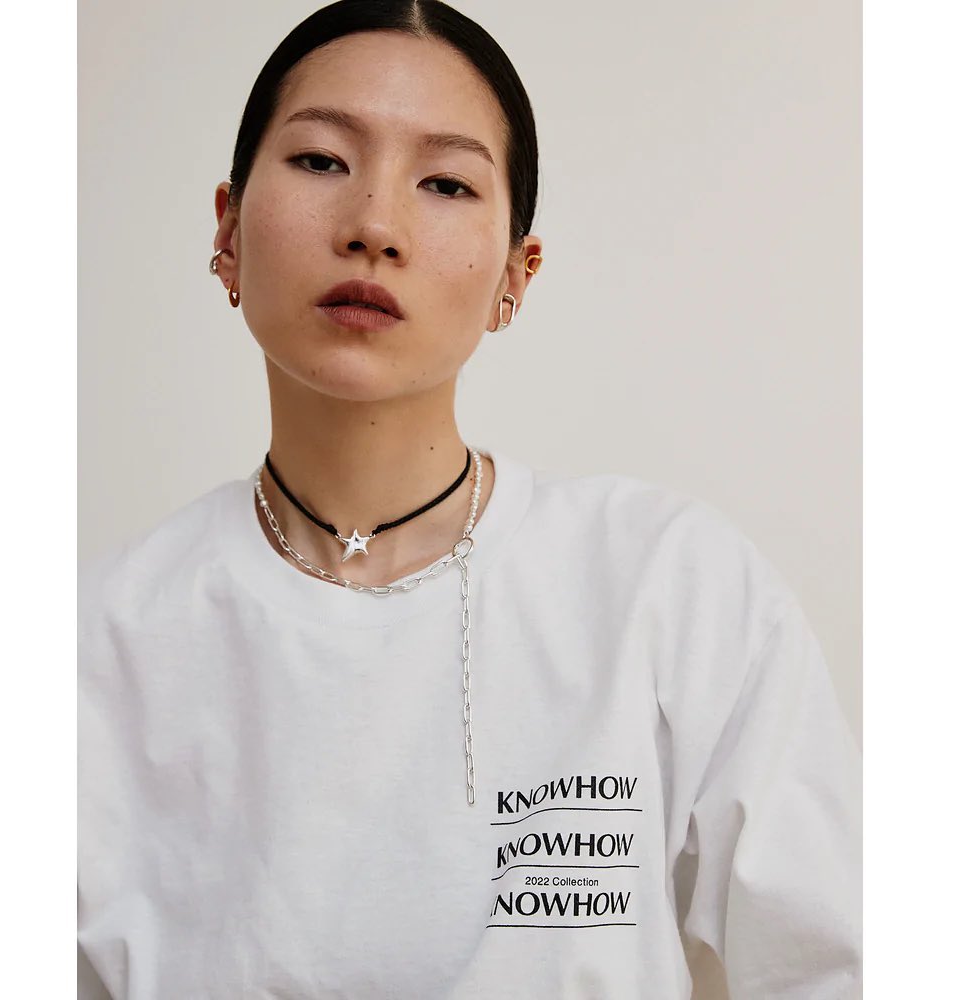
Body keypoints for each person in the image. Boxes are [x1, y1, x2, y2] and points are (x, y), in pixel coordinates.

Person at [77, 2, 862, 997]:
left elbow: (835, 962)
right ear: (228, 231)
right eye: (321, 160)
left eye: (446, 183)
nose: (374, 226)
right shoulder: (95, 645)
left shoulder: (668, 589)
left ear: (513, 277)